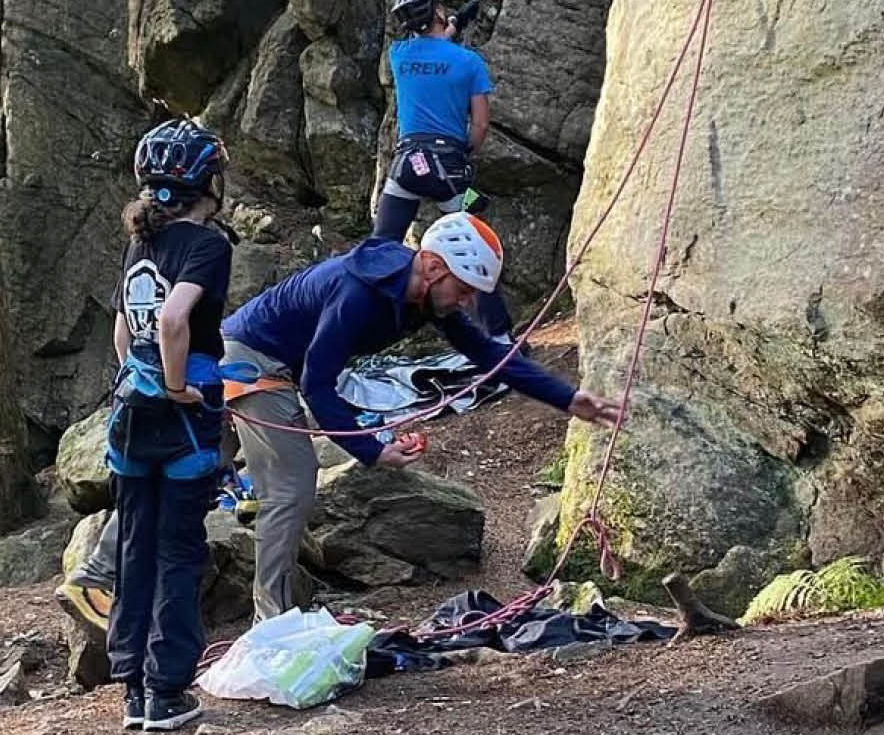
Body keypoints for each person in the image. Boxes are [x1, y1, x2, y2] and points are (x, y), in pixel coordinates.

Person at [221, 213, 623, 619]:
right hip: (252, 360)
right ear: (432, 266)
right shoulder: (358, 293)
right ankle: (270, 621)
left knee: (231, 474)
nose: (466, 302)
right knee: (290, 487)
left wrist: (568, 399)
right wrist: (372, 451)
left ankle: (269, 599)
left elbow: (490, 356)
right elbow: (317, 385)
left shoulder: (422, 295)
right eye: (463, 289)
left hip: (276, 362)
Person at [104, 118, 234, 734]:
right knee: (179, 549)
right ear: (208, 183)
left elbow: (123, 331)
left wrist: (144, 379)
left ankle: (132, 687)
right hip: (184, 414)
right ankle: (167, 690)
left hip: (131, 412)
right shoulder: (207, 245)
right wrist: (179, 385)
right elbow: (174, 319)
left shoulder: (140, 244)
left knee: (135, 544)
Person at [372, 0, 512, 336]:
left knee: (380, 247)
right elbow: (480, 124)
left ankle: (369, 324)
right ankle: (499, 337)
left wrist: (453, 24)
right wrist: (465, 152)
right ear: (436, 10)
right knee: (475, 250)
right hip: (447, 167)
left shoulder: (399, 56)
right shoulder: (469, 63)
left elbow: (431, 53)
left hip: (407, 164)